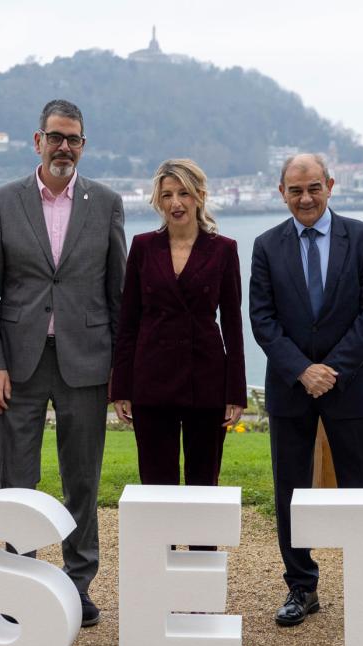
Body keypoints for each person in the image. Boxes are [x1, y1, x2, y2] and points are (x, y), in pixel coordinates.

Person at [0, 99, 127, 627]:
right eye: (56, 137)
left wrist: (119, 367)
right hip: (18, 364)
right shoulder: (3, 201)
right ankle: (20, 583)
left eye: (75, 139)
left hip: (87, 362)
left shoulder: (105, 202)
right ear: (36, 140)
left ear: (84, 145)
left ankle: (78, 583)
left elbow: (118, 292)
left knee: (81, 479)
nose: (65, 147)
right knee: (17, 478)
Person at [248, 153, 363, 627]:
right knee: (290, 489)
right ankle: (300, 587)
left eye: (313, 188)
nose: (305, 198)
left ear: (330, 185)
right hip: (291, 387)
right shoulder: (267, 246)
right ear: (281, 192)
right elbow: (262, 320)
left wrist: (331, 368)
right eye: (295, 190)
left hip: (348, 385)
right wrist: (302, 370)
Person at [111, 159, 246, 501]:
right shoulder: (142, 247)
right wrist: (121, 386)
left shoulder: (224, 249)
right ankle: (161, 554)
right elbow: (128, 322)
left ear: (199, 196)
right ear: (157, 200)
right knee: (157, 487)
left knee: (204, 485)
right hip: (151, 381)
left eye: (183, 193)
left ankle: (203, 553)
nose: (175, 203)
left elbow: (232, 324)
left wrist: (236, 392)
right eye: (167, 194)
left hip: (207, 381)